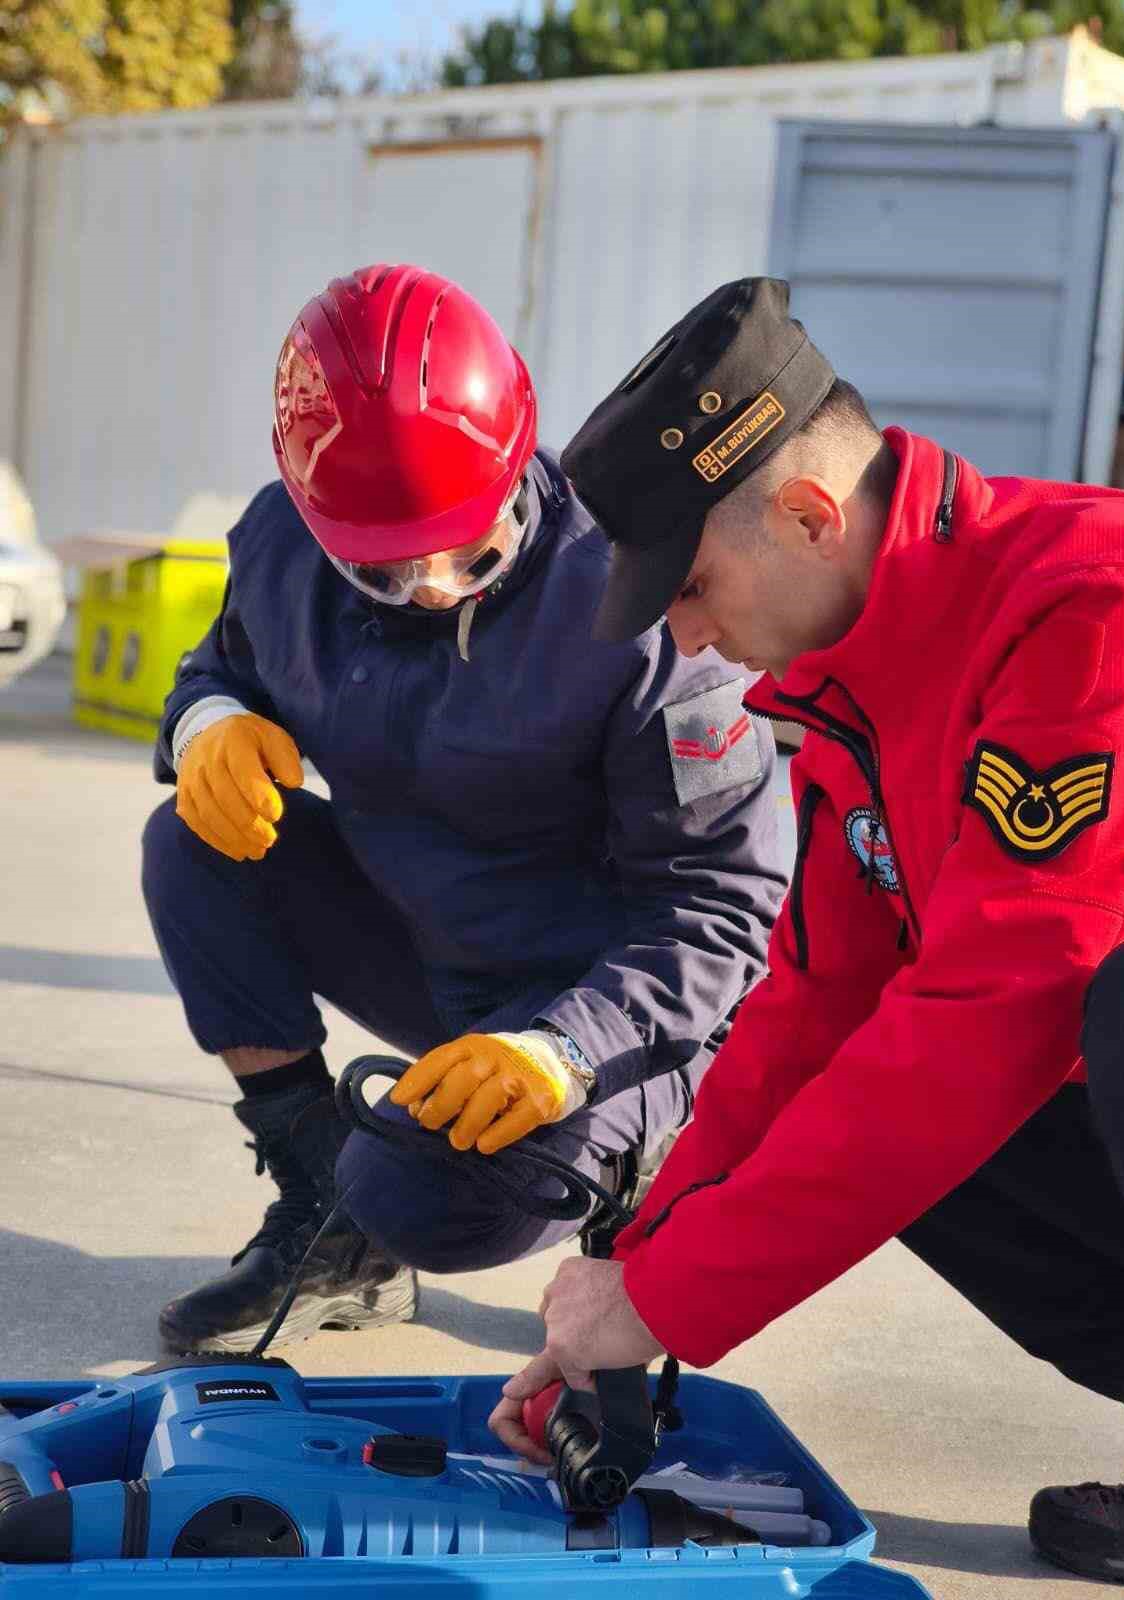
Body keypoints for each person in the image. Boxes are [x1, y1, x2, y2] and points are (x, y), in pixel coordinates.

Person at [492, 276, 1124, 1597]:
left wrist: (670, 1297)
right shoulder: (848, 687)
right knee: (887, 1108)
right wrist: (629, 1300)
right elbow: (810, 1015)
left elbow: (1001, 1010)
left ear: (810, 514)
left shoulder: (1101, 610)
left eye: (689, 586)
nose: (688, 637)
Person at [141, 264, 786, 1358]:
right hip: (434, 948)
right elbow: (222, 671)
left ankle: (650, 1147)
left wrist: (567, 1047)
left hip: (610, 1001)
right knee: (192, 845)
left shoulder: (640, 592)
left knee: (431, 1197)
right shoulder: (282, 551)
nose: (436, 588)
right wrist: (206, 720)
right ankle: (332, 1218)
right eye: (387, 574)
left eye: (472, 552)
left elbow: (722, 906)